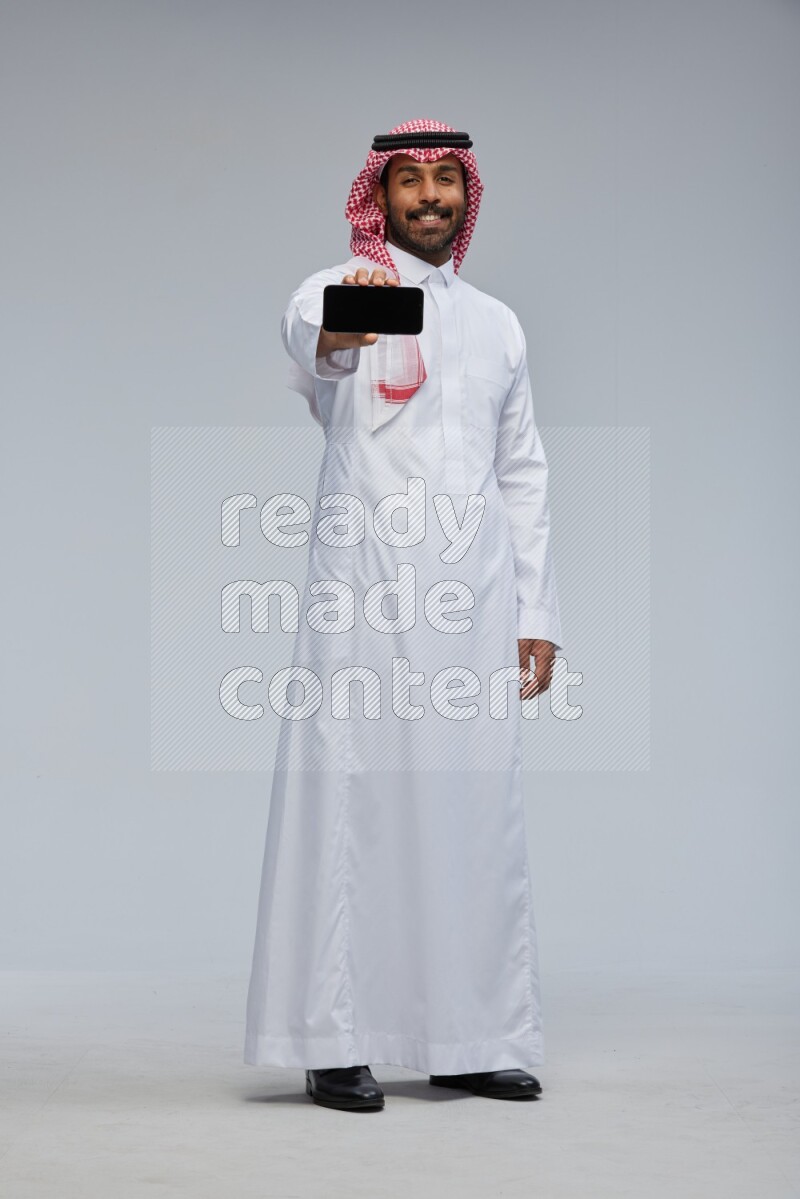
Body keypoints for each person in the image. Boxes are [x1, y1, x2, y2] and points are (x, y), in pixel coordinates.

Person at [244, 118, 564, 1112]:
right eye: (408, 182)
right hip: (367, 590)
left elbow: (523, 472)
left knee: (472, 811)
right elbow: (318, 345)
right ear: (376, 198)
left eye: (444, 182)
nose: (428, 197)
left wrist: (535, 611)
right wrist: (354, 311)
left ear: (466, 197)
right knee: (352, 804)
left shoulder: (500, 323)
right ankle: (330, 1037)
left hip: (471, 601)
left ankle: (467, 1035)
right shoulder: (336, 286)